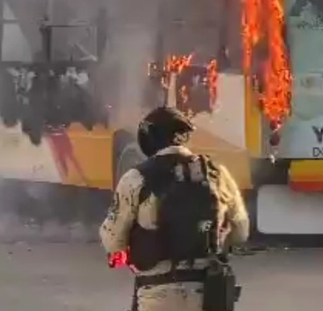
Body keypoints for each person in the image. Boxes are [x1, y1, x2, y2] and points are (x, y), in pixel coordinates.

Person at [101, 106, 249, 311]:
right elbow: (241, 232)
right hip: (210, 294)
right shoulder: (217, 173)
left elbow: (112, 240)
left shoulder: (136, 178)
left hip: (159, 293)